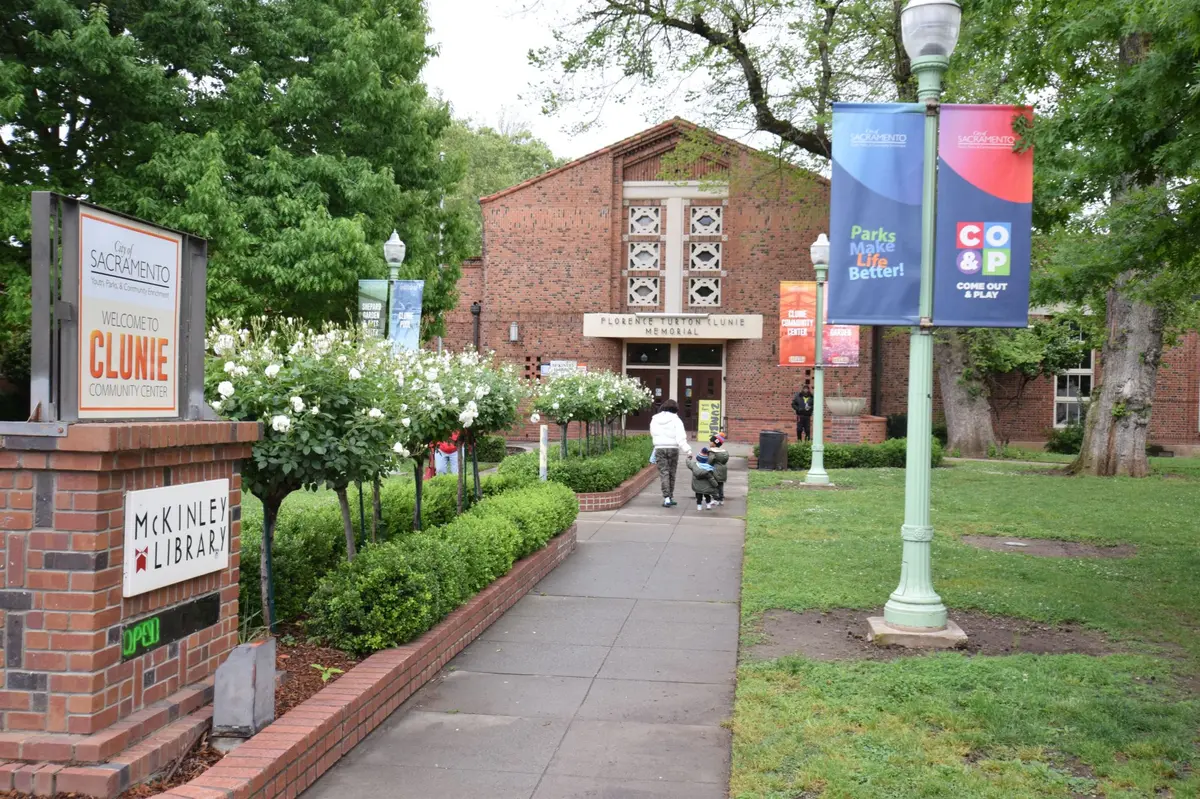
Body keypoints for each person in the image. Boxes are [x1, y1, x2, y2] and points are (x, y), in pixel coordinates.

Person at [649, 398, 692, 507]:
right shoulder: (676, 420)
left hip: (659, 448)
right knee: (672, 473)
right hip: (673, 449)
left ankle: (666, 498)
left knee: (664, 473)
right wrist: (688, 450)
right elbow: (681, 437)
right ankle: (671, 496)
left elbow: (653, 433)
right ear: (675, 409)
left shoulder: (654, 419)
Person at [708, 433, 729, 505]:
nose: (709, 442)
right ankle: (721, 499)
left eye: (710, 441)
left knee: (713, 485)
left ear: (714, 443)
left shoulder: (713, 452)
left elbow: (710, 461)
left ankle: (715, 498)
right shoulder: (724, 452)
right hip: (723, 471)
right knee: (720, 485)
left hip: (715, 471)